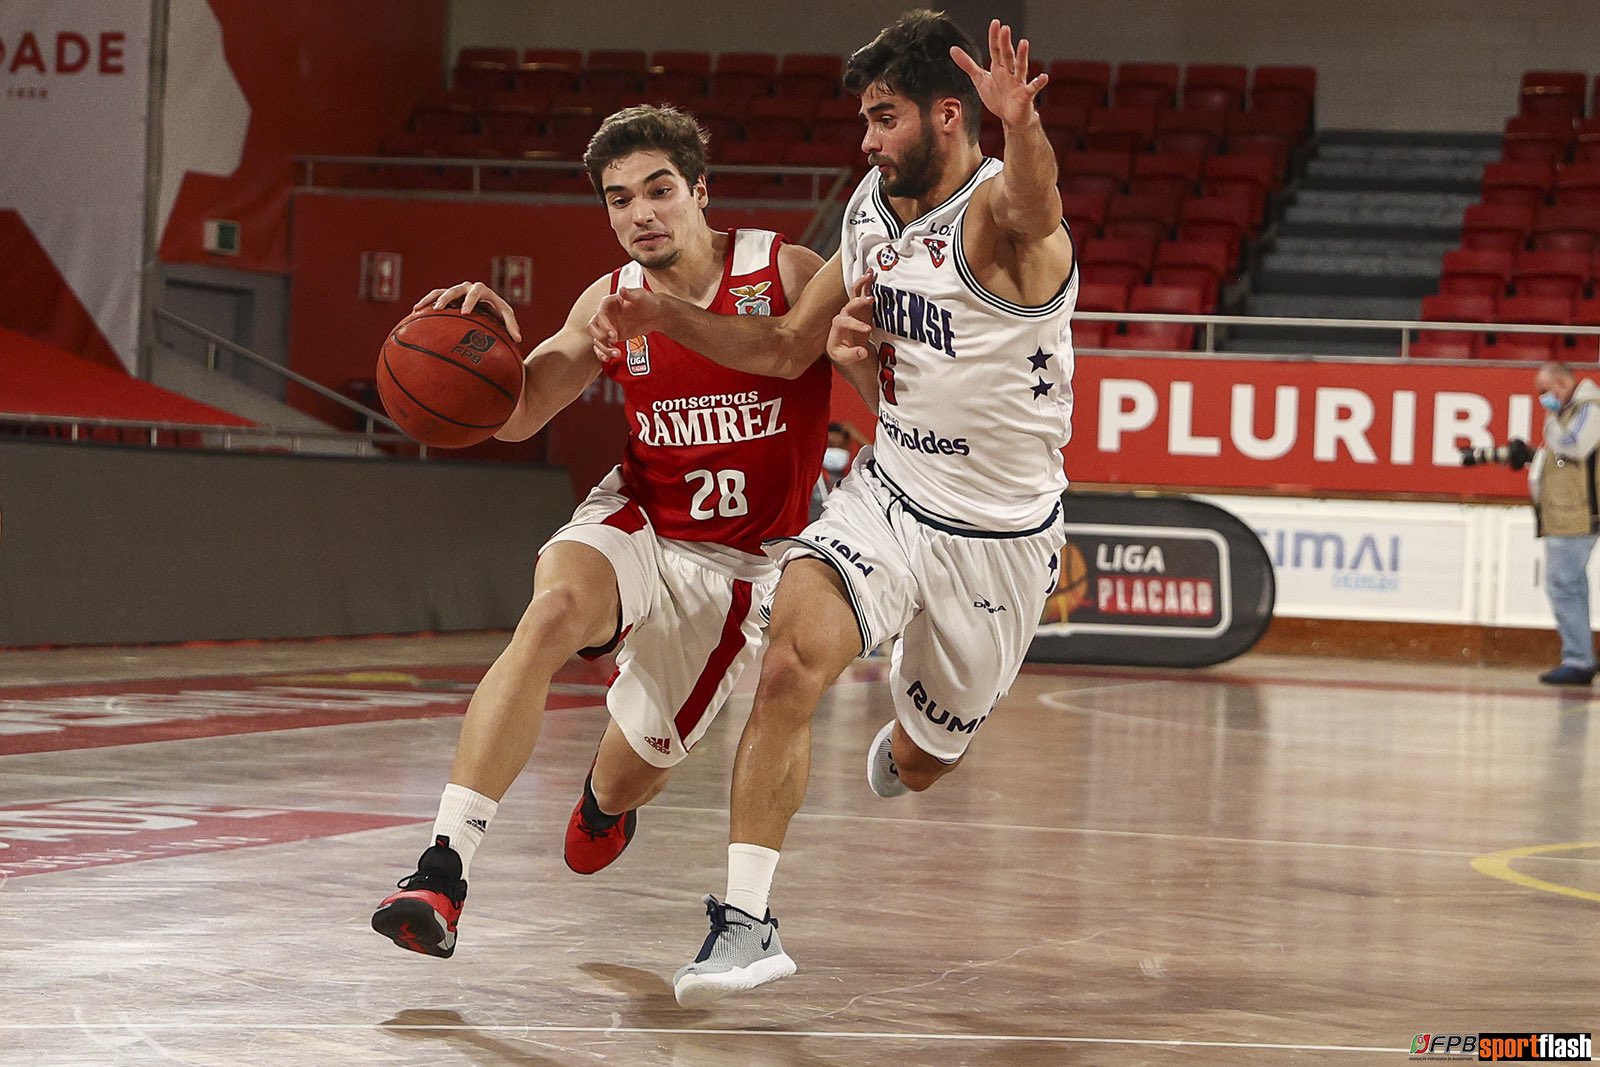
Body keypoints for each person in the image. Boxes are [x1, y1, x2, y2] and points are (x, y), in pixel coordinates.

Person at [589, 12, 1077, 1005]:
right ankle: (745, 921)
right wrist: (664, 309)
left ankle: (915, 736)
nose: (865, 140)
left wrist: (1020, 127)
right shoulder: (867, 208)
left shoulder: (1001, 222)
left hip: (996, 542)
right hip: (888, 493)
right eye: (863, 118)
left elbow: (1034, 204)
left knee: (923, 760)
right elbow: (777, 348)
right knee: (788, 663)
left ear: (950, 116)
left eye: (883, 118)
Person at [369, 104, 876, 959]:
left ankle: (607, 801)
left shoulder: (784, 270)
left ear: (700, 192)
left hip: (736, 569)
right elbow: (522, 409)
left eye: (658, 190)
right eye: (617, 199)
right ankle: (441, 870)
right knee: (550, 614)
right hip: (638, 514)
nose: (639, 213)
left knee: (632, 766)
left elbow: (810, 355)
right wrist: (480, 346)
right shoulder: (607, 301)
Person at [1530, 360, 1600, 686]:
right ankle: (1580, 656)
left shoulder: (1589, 408)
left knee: (1564, 585)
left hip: (1578, 514)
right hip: (1566, 513)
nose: (1543, 399)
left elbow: (1576, 445)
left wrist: (1549, 424)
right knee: (1571, 586)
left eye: (1545, 391)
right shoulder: (1569, 412)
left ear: (1561, 383)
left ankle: (1578, 659)